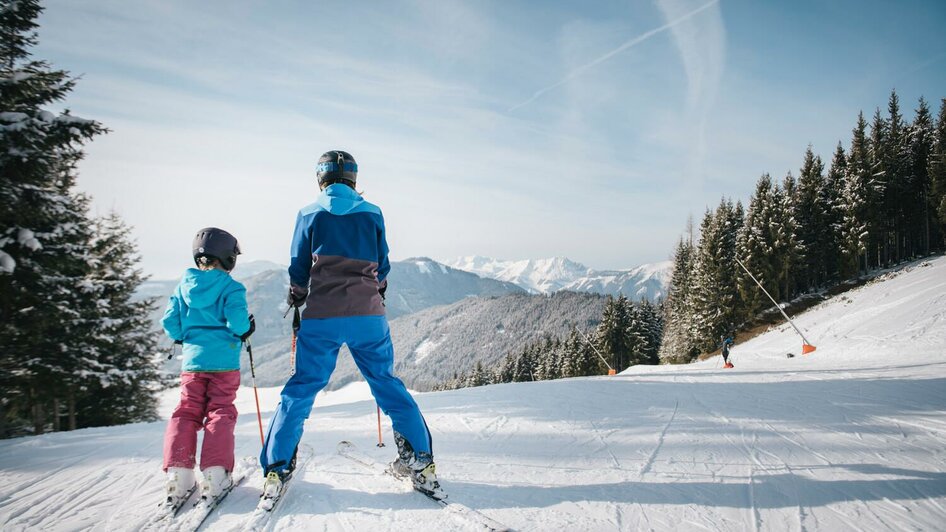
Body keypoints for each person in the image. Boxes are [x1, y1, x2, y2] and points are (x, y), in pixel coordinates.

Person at [260, 150, 442, 500]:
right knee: (387, 384)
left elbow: (299, 267)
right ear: (353, 179)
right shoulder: (373, 213)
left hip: (321, 316)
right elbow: (382, 264)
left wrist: (297, 295)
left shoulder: (309, 213)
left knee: (301, 388)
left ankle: (277, 466)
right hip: (367, 316)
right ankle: (421, 459)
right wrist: (378, 289)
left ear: (321, 178)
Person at [161, 227, 255, 510]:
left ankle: (179, 474)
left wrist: (184, 336)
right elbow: (239, 324)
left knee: (187, 411)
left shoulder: (183, 285)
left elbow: (169, 323)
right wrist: (246, 328)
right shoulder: (231, 288)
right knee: (220, 412)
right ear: (228, 258)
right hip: (224, 363)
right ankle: (215, 476)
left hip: (192, 363)